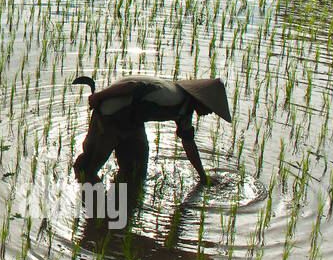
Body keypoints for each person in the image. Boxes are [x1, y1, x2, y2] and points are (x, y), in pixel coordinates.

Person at [70, 76, 232, 184]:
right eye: (210, 107)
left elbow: (189, 144)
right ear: (200, 100)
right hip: (113, 113)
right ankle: (92, 218)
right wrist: (100, 96)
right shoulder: (172, 96)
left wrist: (203, 177)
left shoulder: (185, 112)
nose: (211, 112)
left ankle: (122, 210)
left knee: (136, 169)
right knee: (89, 168)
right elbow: (132, 86)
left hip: (133, 120)